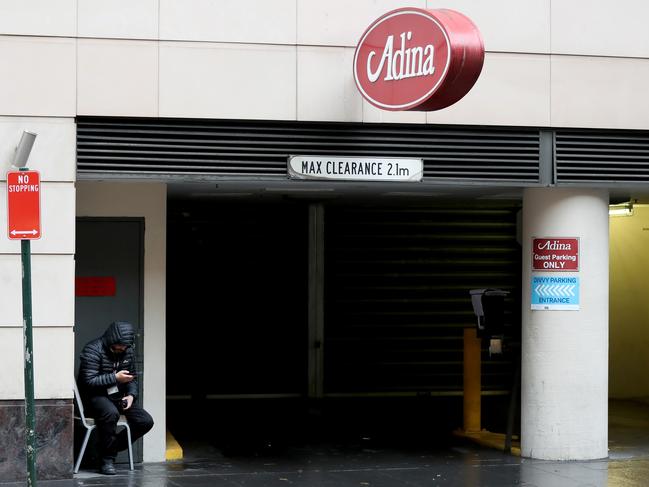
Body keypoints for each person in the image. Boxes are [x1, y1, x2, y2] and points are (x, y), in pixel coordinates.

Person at [77, 321, 154, 475]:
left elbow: (132, 378)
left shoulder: (128, 351)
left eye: (125, 346)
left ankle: (106, 448)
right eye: (120, 345)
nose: (123, 348)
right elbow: (89, 381)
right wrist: (115, 378)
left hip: (118, 396)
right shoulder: (93, 349)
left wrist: (132, 395)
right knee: (111, 413)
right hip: (95, 396)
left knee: (145, 421)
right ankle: (107, 459)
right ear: (112, 340)